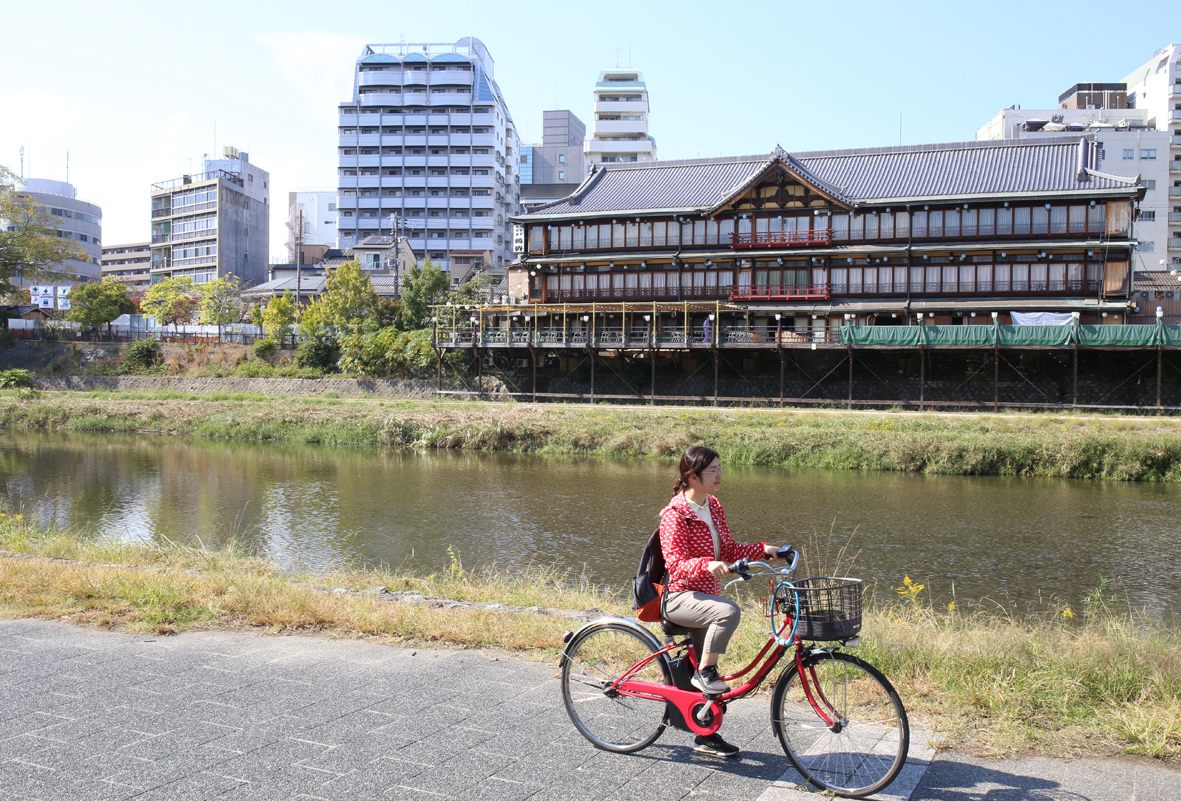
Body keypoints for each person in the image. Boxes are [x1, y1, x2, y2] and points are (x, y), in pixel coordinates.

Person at [658, 444, 782, 759]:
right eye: (712, 470)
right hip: (680, 597)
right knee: (727, 612)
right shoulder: (675, 515)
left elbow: (727, 548)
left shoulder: (712, 506)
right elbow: (675, 564)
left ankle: (705, 734)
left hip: (704, 598)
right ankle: (706, 674)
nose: (719, 475)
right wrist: (706, 564)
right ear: (692, 475)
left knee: (706, 676)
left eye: (719, 469)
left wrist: (765, 549)